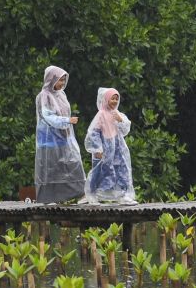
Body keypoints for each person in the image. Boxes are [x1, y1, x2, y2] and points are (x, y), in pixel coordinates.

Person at [34, 65, 89, 204]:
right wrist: (66, 120)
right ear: (51, 79)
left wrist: (66, 123)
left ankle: (81, 194)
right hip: (49, 140)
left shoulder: (61, 94)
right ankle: (49, 199)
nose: (62, 83)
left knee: (72, 163)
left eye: (64, 80)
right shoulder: (44, 96)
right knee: (51, 169)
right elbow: (48, 117)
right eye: (60, 80)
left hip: (64, 138)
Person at [83, 87, 136, 205]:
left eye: (117, 99)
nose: (115, 101)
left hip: (117, 148)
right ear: (106, 99)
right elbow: (93, 132)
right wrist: (97, 148)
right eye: (113, 98)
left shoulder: (117, 113)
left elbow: (125, 129)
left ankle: (123, 194)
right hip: (104, 149)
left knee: (121, 169)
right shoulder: (101, 115)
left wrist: (120, 120)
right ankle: (92, 194)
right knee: (100, 170)